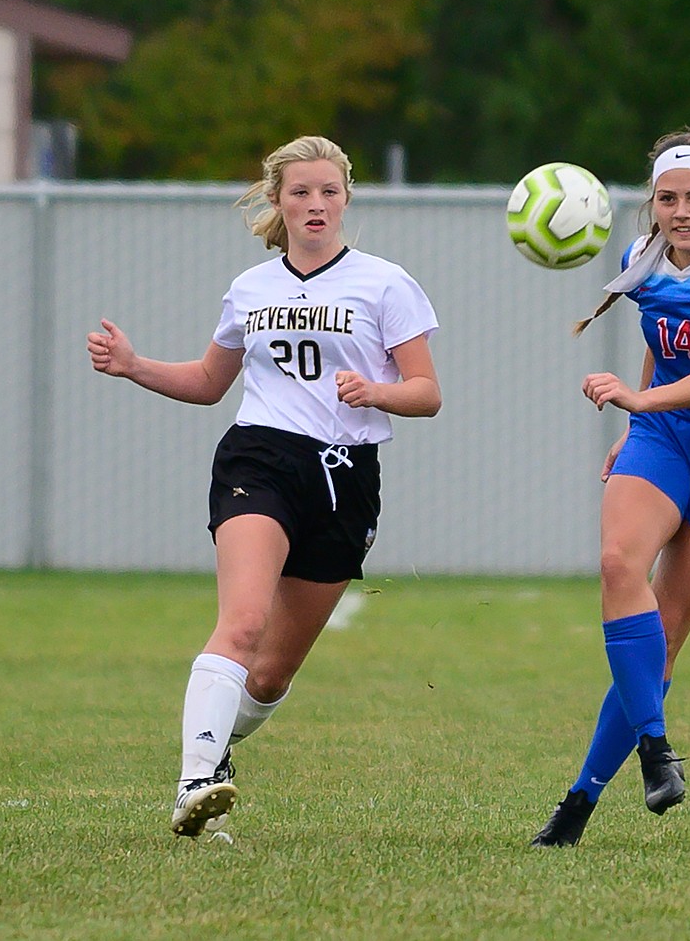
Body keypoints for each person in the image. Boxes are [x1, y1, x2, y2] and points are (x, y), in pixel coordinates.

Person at [87, 134, 441, 838]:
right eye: (300, 192)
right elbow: (210, 383)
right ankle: (195, 780)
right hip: (260, 460)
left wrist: (376, 390)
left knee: (272, 674)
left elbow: (427, 393)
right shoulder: (251, 289)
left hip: (346, 479)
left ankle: (219, 750)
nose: (315, 204)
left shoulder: (384, 282)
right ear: (278, 201)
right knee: (243, 622)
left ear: (346, 199)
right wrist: (134, 365)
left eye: (328, 191)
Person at [530, 129, 690, 847]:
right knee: (618, 564)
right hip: (665, 438)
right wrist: (642, 416)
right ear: (652, 204)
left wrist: (642, 403)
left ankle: (577, 805)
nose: (681, 211)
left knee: (664, 641)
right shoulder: (638, 256)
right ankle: (655, 750)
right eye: (667, 198)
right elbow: (660, 331)